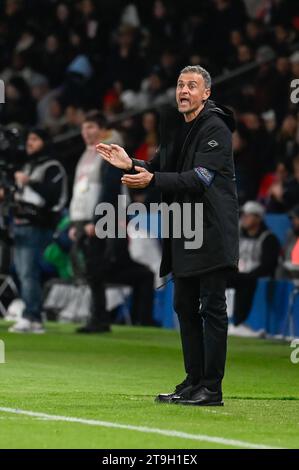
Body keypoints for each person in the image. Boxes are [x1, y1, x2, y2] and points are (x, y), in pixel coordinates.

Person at [97, 65, 239, 406]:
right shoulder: (179, 129)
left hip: (212, 229)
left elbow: (200, 178)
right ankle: (193, 382)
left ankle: (212, 388)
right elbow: (159, 166)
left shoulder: (215, 127)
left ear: (206, 93)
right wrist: (130, 162)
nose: (184, 91)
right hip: (186, 228)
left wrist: (152, 181)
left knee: (213, 308)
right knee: (184, 305)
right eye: (180, 85)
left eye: (192, 85)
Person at [69, 111, 155, 333]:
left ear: (102, 129)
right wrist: (75, 222)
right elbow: (81, 193)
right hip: (88, 220)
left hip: (104, 220)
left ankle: (100, 318)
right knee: (92, 269)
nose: (86, 132)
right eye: (83, 127)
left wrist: (99, 220)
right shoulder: (88, 155)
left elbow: (110, 189)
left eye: (91, 127)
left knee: (97, 269)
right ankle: (98, 316)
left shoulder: (109, 152)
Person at [4, 128, 67, 333]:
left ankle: (33, 316)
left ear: (44, 142)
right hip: (21, 224)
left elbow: (52, 196)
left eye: (35, 139)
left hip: (39, 225)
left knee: (28, 272)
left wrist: (28, 181)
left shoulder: (52, 166)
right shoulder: (29, 165)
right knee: (20, 272)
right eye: (28, 139)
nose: (29, 143)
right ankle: (31, 313)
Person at [228, 201, 280, 337]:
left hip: (253, 276)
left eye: (248, 215)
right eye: (243, 215)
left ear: (258, 218)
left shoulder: (268, 238)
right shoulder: (238, 236)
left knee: (246, 281)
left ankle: (239, 322)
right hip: (236, 274)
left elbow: (268, 265)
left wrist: (250, 274)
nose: (243, 218)